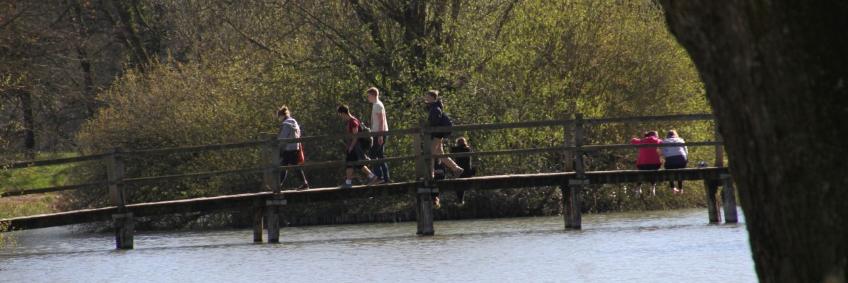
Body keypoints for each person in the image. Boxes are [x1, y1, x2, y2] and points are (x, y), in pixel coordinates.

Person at [337, 104, 380, 188]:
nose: (340, 117)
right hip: (354, 146)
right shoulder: (351, 121)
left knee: (350, 163)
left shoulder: (353, 121)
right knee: (357, 164)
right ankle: (373, 177)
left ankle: (348, 183)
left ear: (343, 113)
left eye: (340, 114)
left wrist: (351, 147)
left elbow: (355, 136)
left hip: (355, 147)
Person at [424, 90, 464, 179]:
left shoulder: (435, 108)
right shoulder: (434, 107)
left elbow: (435, 121)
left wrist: (428, 124)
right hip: (439, 134)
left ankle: (431, 174)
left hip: (437, 134)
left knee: (431, 153)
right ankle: (457, 169)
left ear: (432, 97)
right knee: (440, 154)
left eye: (427, 96)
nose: (426, 98)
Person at [277, 106, 309, 190]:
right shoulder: (294, 122)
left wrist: (279, 147)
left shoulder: (286, 124)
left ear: (282, 115)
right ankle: (279, 185)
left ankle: (304, 184)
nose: (279, 119)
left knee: (285, 166)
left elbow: (283, 138)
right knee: (288, 166)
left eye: (279, 117)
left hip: (288, 148)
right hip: (296, 147)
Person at [366, 87, 390, 184]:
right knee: (380, 156)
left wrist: (380, 135)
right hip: (380, 132)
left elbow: (381, 121)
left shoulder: (377, 105)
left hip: (379, 133)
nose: (368, 98)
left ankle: (379, 177)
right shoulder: (378, 104)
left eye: (369, 96)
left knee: (373, 154)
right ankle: (385, 177)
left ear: (373, 95)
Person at [450, 137, 476, 204]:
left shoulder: (455, 150)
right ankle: (460, 200)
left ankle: (460, 200)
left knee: (458, 184)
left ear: (457, 143)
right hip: (468, 173)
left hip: (459, 173)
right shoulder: (468, 149)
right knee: (461, 185)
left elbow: (451, 151)